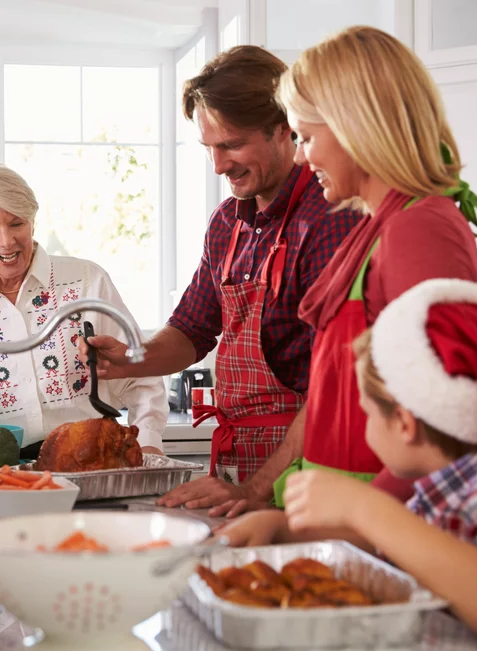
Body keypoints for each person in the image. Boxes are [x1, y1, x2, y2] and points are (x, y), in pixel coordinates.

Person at [220, 279, 477, 651]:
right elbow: (400, 545)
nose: (364, 427)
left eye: (366, 414)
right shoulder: (446, 487)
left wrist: (365, 507)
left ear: (403, 424)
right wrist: (280, 526)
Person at [80, 46, 359, 498]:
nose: (218, 166)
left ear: (283, 128)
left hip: (308, 465)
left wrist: (258, 491)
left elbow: (335, 384)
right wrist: (131, 358)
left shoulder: (328, 218)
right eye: (210, 147)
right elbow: (192, 329)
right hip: (235, 458)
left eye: (231, 144)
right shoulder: (227, 223)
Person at [0, 159, 168, 457]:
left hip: (94, 457)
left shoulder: (86, 281)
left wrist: (148, 445)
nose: (7, 241)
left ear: (32, 221)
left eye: (17, 223)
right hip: (0, 470)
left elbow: (141, 376)